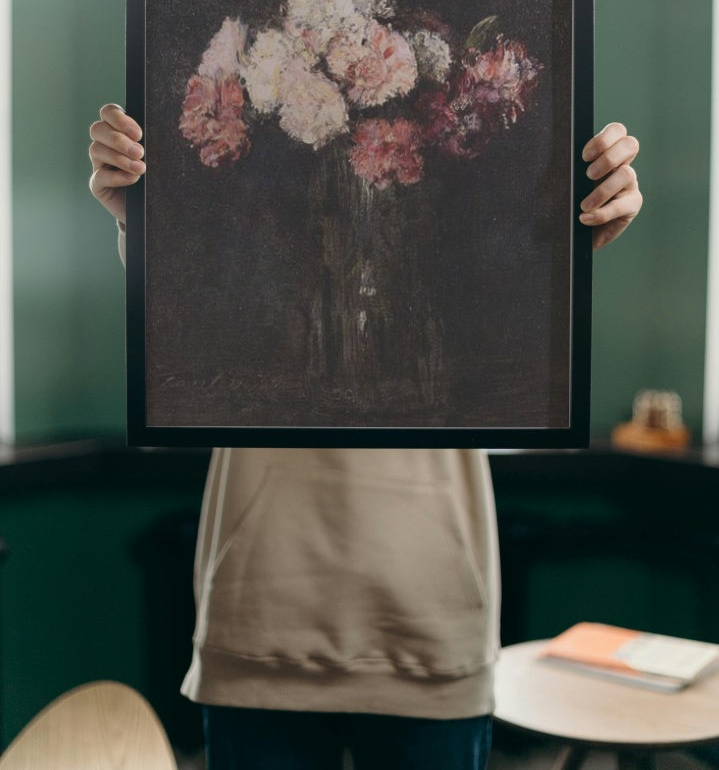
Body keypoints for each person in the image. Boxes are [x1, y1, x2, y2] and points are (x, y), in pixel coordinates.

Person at [89, 106, 642, 770]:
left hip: (431, 615)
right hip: (264, 610)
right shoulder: (256, 192)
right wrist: (142, 211)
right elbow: (192, 309)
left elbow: (507, 313)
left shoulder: (458, 182)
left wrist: (567, 245)